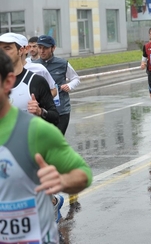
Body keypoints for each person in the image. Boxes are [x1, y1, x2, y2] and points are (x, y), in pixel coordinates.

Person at [0, 48, 92, 243]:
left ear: (8, 82)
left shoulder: (35, 131)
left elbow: (82, 174)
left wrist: (62, 181)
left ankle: (54, 201)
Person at [0, 33, 59, 125]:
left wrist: (40, 111)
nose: (2, 53)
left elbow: (55, 117)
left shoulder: (36, 81)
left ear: (21, 51)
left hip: (29, 138)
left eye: (7, 48)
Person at [33, 35, 80, 135]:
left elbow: (75, 78)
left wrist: (69, 86)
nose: (42, 51)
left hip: (61, 110)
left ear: (53, 48)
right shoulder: (34, 65)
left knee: (57, 139)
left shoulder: (62, 63)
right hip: (43, 111)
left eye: (45, 48)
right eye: (40, 47)